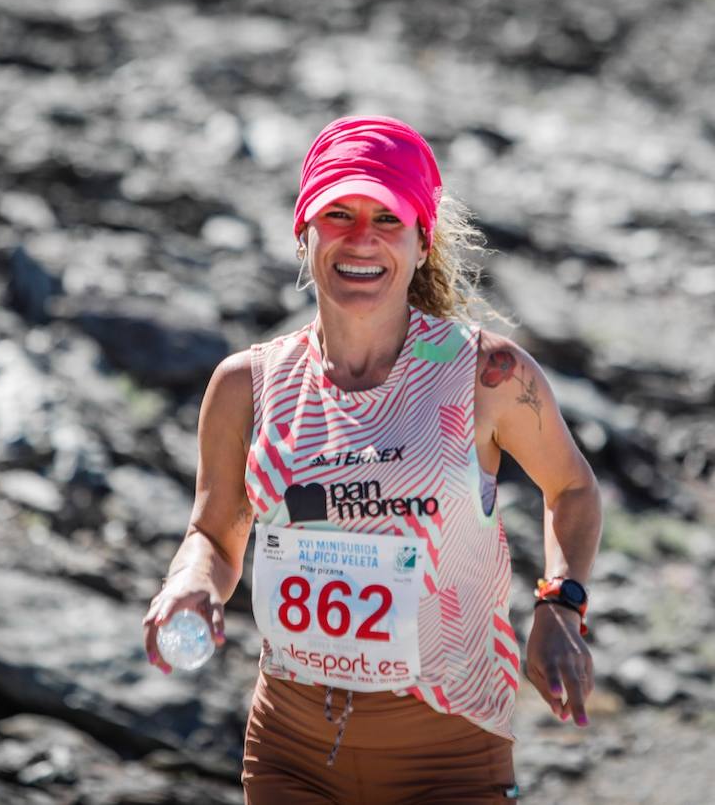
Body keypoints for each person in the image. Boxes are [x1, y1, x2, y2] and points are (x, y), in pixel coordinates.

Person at [142, 115, 603, 803]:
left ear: (422, 241)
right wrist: (189, 581)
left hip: (450, 753)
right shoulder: (246, 384)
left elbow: (571, 489)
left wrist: (560, 604)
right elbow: (214, 533)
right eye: (339, 213)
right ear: (306, 233)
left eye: (388, 217)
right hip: (290, 751)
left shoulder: (487, 374)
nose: (362, 237)